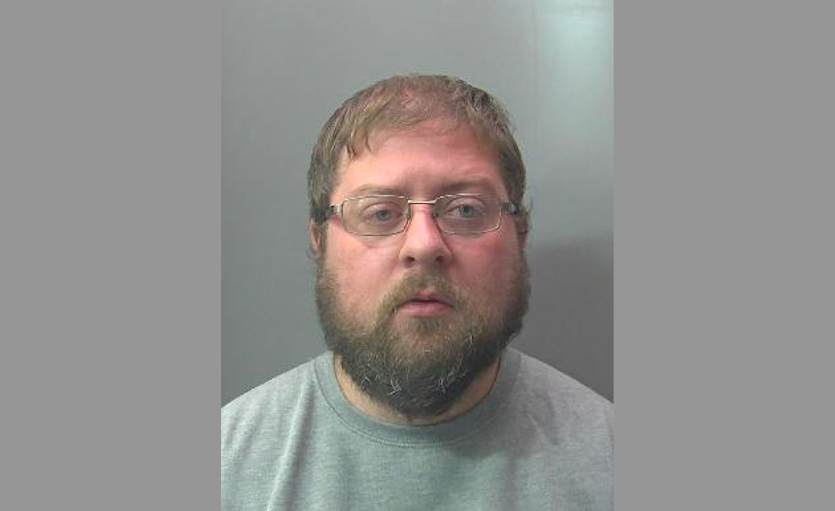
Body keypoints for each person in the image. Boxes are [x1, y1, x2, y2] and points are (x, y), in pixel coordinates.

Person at [221, 74, 613, 510]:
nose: (424, 245)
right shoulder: (226, 465)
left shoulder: (609, 461)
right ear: (320, 240)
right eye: (380, 213)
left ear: (520, 234)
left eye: (465, 209)